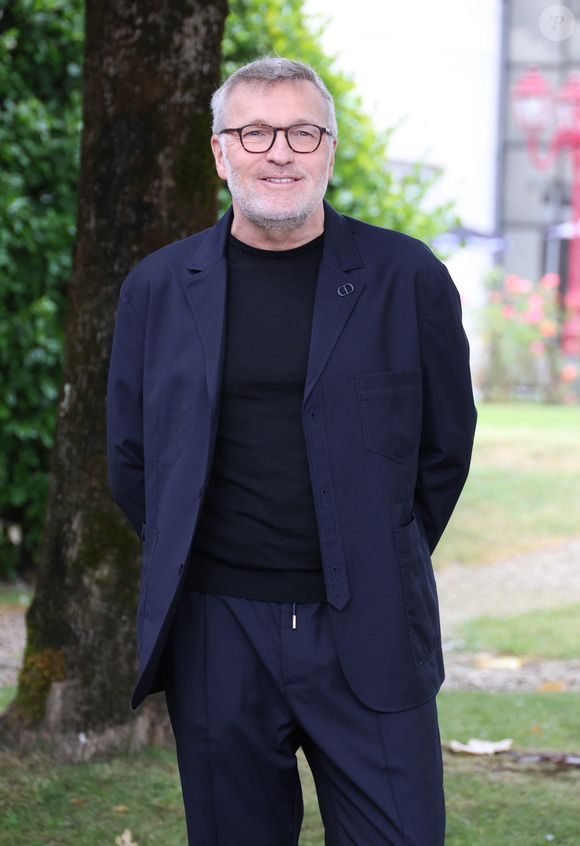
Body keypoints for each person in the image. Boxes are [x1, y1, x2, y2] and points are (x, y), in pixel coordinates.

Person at [106, 56, 477, 846]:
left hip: (370, 628)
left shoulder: (407, 278)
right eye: (256, 132)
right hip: (217, 634)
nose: (280, 151)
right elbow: (134, 460)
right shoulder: (158, 289)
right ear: (220, 151)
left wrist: (378, 553)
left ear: (330, 147)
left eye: (303, 132)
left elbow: (445, 450)